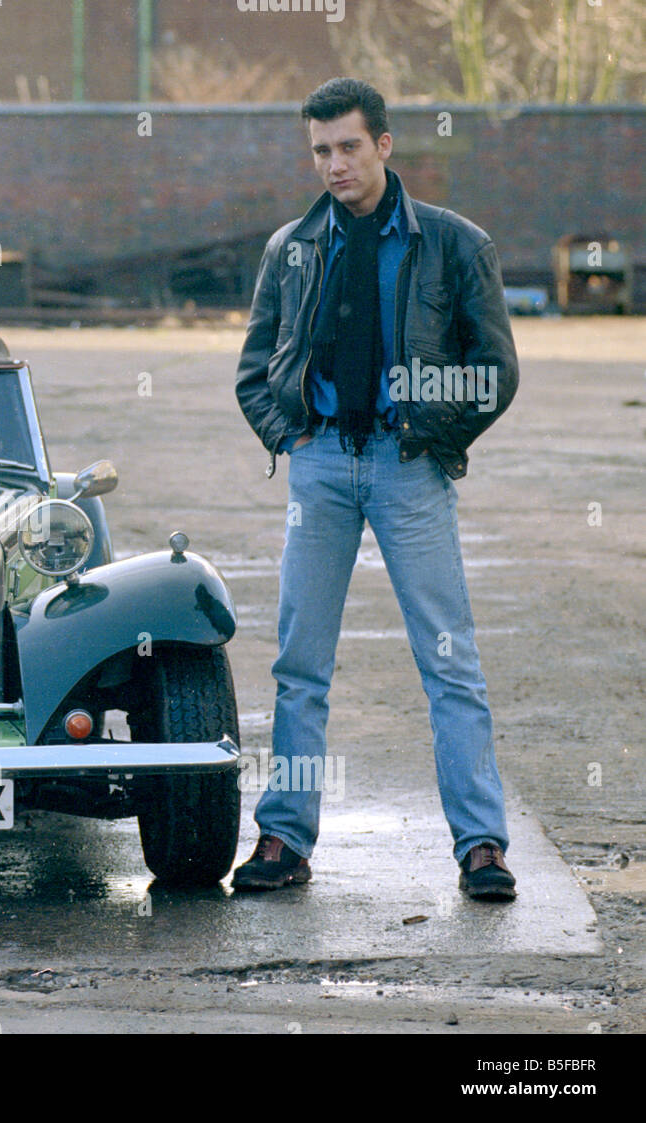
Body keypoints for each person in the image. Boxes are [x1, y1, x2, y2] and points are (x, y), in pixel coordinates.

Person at [232, 78, 520, 900]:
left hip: (409, 466)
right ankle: (284, 838)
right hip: (321, 466)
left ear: (385, 146)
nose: (334, 165)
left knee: (449, 662)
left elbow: (494, 372)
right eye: (320, 150)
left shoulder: (455, 244)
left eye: (349, 147)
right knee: (299, 663)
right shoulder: (292, 246)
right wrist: (290, 435)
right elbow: (256, 368)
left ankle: (482, 847)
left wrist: (433, 436)